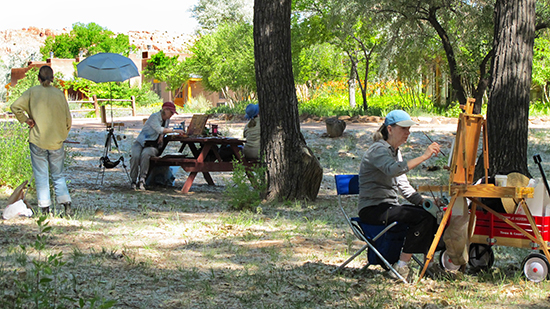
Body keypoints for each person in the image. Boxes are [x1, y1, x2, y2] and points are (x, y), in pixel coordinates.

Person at [358, 110, 441, 281]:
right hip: (372, 209)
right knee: (420, 218)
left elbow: (403, 186)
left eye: (409, 129)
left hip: (389, 207)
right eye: (404, 129)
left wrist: (425, 202)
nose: (407, 133)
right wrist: (424, 156)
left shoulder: (396, 151)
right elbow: (393, 170)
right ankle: (402, 267)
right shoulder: (378, 149)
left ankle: (429, 263)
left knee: (431, 214)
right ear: (390, 129)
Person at [10, 65, 73, 215]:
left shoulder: (32, 92)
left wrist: (26, 120)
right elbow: (68, 120)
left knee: (41, 175)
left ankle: (45, 209)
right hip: (56, 141)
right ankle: (67, 205)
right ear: (52, 78)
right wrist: (62, 135)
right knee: (58, 175)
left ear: (38, 78)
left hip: (37, 140)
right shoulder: (59, 94)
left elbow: (15, 106)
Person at [130, 101, 184, 190]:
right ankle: (133, 180)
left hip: (152, 145)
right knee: (135, 156)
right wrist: (175, 130)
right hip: (141, 142)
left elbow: (162, 130)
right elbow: (159, 129)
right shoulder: (154, 117)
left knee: (146, 155)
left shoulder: (167, 120)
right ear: (165, 110)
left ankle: (142, 179)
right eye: (171, 112)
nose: (172, 115)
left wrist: (161, 136)